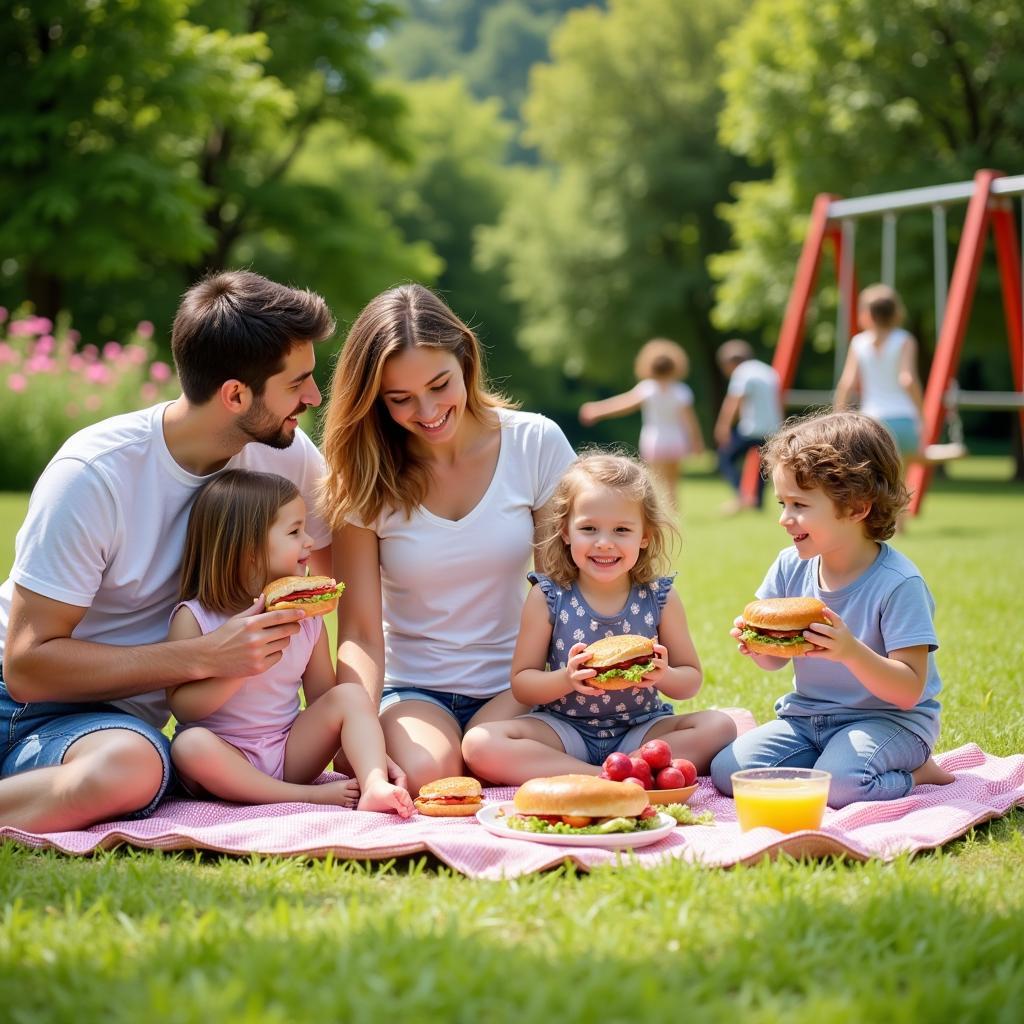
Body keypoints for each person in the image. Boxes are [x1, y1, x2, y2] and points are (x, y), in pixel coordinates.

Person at [0, 270, 341, 832]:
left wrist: (353, 721)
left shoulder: (285, 457)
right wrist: (206, 656)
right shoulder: (95, 474)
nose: (313, 396)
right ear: (235, 394)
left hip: (105, 725)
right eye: (297, 382)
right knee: (135, 765)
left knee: (134, 768)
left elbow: (335, 580)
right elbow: (27, 668)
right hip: (16, 702)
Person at [318, 283, 576, 793]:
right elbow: (362, 633)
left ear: (465, 358)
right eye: (401, 399)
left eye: (440, 385)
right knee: (429, 774)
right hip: (416, 688)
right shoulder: (363, 474)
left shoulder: (535, 442)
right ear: (374, 400)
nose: (428, 410)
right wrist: (362, 736)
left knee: (485, 752)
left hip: (521, 683)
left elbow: (562, 593)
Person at [709, 411, 955, 808]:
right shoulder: (791, 565)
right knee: (730, 772)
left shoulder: (898, 584)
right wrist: (759, 648)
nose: (784, 519)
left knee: (841, 788)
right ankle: (827, 762)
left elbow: (909, 690)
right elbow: (775, 663)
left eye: (800, 505)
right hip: (807, 720)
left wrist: (850, 651)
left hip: (890, 722)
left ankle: (916, 773)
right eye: (782, 502)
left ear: (857, 507)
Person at [461, 453, 737, 784]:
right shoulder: (549, 596)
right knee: (479, 744)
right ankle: (602, 777)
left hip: (641, 729)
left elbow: (690, 680)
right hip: (565, 731)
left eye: (622, 530)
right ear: (565, 532)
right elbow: (523, 684)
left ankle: (631, 765)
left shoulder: (658, 597)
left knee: (720, 726)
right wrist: (567, 678)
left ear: (645, 535)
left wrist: (663, 675)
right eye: (588, 528)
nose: (604, 543)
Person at [167, 470, 413, 815]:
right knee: (188, 746)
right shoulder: (194, 617)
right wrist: (242, 666)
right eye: (295, 532)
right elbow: (183, 708)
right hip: (224, 757)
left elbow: (325, 702)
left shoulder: (307, 617)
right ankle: (298, 796)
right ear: (248, 549)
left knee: (351, 694)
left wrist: (374, 755)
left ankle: (373, 785)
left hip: (287, 752)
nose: (310, 541)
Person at [578, 338, 704, 507]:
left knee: (656, 483)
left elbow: (622, 404)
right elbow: (690, 421)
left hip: (654, 440)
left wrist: (597, 410)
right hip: (675, 439)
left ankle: (658, 513)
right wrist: (697, 442)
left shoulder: (648, 388)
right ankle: (673, 515)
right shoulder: (681, 391)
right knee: (672, 483)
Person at [834, 284, 927, 463]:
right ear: (895, 312)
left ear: (866, 314)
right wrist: (922, 418)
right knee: (900, 485)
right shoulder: (904, 340)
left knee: (876, 483)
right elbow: (908, 380)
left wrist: (837, 419)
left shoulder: (859, 342)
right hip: (903, 420)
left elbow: (847, 384)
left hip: (872, 422)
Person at [713, 339, 783, 513]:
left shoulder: (742, 372)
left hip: (752, 428)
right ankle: (757, 503)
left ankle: (743, 496)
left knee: (725, 458)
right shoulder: (768, 371)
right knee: (762, 467)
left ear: (731, 362)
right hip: (772, 428)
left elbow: (733, 401)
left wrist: (723, 427)